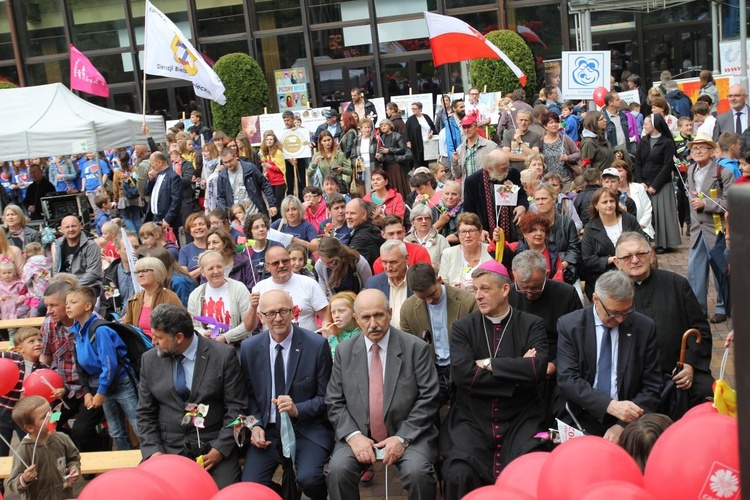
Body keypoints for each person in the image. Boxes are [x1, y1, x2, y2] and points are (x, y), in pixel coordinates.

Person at [440, 260, 547, 498]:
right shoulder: (462, 327)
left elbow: (537, 369)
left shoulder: (532, 325)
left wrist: (488, 364)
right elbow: (462, 374)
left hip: (522, 420)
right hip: (472, 421)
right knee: (458, 472)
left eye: (485, 289)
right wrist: (518, 371)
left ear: (505, 290)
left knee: (531, 467)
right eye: (475, 289)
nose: (478, 296)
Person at [326, 289, 440, 500]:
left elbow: (429, 397)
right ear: (356, 318)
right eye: (366, 317)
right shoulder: (344, 351)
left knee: (418, 474)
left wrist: (402, 437)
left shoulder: (416, 348)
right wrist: (354, 436)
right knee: (338, 471)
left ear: (389, 312)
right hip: (359, 432)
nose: (373, 324)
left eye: (378, 315)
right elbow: (334, 400)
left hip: (409, 434)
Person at [136, 304, 248, 488]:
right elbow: (144, 413)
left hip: (212, 446)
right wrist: (153, 452)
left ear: (179, 337)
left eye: (159, 337)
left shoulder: (223, 355)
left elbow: (238, 409)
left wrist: (220, 449)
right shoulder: (150, 360)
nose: (153, 341)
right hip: (168, 449)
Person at [239, 289, 334, 498]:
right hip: (268, 430)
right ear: (260, 317)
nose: (278, 318)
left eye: (284, 311)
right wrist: (253, 425)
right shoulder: (249, 348)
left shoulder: (316, 345)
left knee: (309, 478)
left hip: (307, 428)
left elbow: (328, 398)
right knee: (250, 488)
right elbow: (247, 397)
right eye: (271, 313)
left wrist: (297, 409)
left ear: (293, 312)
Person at [555, 271, 663, 441]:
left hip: (630, 417)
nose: (620, 319)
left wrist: (622, 425)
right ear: (595, 299)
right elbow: (567, 380)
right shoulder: (570, 326)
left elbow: (652, 386)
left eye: (626, 311)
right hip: (584, 413)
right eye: (613, 313)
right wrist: (609, 405)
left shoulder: (643, 327)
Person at [614, 232, 713, 408]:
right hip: (635, 378)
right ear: (617, 263)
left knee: (706, 391)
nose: (635, 260)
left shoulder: (677, 284)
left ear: (651, 254)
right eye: (627, 256)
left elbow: (700, 330)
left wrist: (690, 364)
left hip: (678, 372)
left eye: (641, 254)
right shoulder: (612, 296)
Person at [66, 285, 139, 451]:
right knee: (115, 430)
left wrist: (101, 392)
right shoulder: (76, 331)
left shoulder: (101, 330)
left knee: (138, 425)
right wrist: (87, 392)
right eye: (66, 303)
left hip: (120, 383)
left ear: (87, 306)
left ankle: (151, 464)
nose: (67, 306)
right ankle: (125, 464)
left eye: (73, 302)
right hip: (101, 386)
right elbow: (80, 364)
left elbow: (110, 363)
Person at [400, 263, 477, 413]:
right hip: (431, 370)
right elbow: (409, 347)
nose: (429, 301)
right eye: (422, 298)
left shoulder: (468, 301)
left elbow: (476, 341)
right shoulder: (408, 309)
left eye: (432, 294)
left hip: (462, 366)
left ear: (439, 279)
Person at [686, 133, 733, 323]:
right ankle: (698, 309)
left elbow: (729, 202)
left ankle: (722, 307)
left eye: (702, 147)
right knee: (694, 271)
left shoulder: (724, 172)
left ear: (712, 151)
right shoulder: (690, 170)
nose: (697, 151)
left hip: (717, 229)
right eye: (694, 147)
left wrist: (706, 204)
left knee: (720, 271)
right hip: (697, 229)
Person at [4, 396, 81, 500]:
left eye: (50, 412)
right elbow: (12, 484)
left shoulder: (62, 438)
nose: (52, 416)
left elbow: (73, 458)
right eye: (45, 416)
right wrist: (24, 479)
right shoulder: (24, 450)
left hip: (64, 495)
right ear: (30, 428)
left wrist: (74, 468)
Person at [581, 188, 644, 299]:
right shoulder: (590, 228)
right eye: (605, 202)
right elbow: (587, 260)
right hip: (604, 276)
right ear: (596, 205)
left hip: (632, 271)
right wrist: (611, 259)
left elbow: (643, 242)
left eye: (612, 201)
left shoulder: (629, 220)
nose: (609, 205)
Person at [250, 246, 329, 333]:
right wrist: (253, 308)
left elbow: (327, 317)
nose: (281, 265)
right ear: (267, 267)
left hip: (307, 343)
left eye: (285, 261)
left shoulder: (310, 284)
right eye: (275, 263)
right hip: (273, 345)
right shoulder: (259, 288)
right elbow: (249, 327)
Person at [634, 114, 681, 253]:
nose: (644, 126)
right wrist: (640, 181)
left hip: (661, 184)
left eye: (647, 124)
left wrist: (655, 185)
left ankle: (663, 243)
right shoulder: (643, 141)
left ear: (655, 125)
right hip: (645, 183)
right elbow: (637, 162)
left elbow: (667, 165)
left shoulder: (667, 142)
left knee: (662, 214)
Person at [0, 328, 47, 460]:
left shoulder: (43, 369)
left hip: (26, 416)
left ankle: (28, 476)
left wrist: (60, 391)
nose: (37, 343)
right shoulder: (10, 357)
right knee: (1, 450)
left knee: (29, 449)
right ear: (20, 349)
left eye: (40, 340)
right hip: (3, 412)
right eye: (31, 341)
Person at [187, 251, 251, 345]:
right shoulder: (195, 294)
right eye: (210, 268)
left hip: (236, 346)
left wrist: (226, 337)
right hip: (209, 348)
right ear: (202, 272)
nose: (216, 271)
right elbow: (193, 325)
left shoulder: (239, 288)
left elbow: (248, 324)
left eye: (219, 267)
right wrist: (203, 333)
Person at [463, 149, 528, 240]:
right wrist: (478, 229)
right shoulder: (472, 181)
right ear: (490, 168)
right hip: (486, 235)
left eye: (507, 166)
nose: (507, 171)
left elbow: (522, 195)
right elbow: (468, 211)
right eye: (503, 168)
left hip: (511, 233)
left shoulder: (513, 173)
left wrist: (522, 206)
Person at [122, 257, 182, 338]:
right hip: (139, 346)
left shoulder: (169, 297)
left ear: (157, 272)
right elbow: (127, 328)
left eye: (144, 271)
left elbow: (179, 325)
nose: (140, 275)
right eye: (137, 272)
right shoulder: (134, 299)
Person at [216, 148, 277, 218]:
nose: (228, 164)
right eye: (225, 162)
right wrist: (225, 213)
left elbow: (265, 185)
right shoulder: (222, 175)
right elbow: (220, 197)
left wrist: (272, 204)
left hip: (255, 213)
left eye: (230, 161)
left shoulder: (250, 168)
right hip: (236, 218)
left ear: (235, 157)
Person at [439, 212, 493, 291]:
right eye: (463, 232)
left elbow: (496, 283)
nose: (467, 236)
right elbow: (442, 284)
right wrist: (454, 290)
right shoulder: (448, 254)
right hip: (457, 299)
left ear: (480, 231)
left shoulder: (491, 251)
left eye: (472, 231)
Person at [52, 216, 102, 293]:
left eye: (73, 226)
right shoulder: (59, 245)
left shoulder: (91, 245)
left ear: (80, 226)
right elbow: (56, 270)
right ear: (61, 229)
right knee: (43, 304)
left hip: (87, 286)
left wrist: (73, 287)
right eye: (67, 227)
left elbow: (93, 272)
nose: (71, 229)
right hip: (63, 287)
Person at [613, 160, 655, 239]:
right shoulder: (610, 191)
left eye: (620, 171)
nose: (617, 174)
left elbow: (648, 209)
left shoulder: (639, 188)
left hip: (641, 229)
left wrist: (639, 226)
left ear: (627, 172)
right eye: (615, 171)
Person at [144, 151, 183, 230]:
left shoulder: (173, 177)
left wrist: (168, 218)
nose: (151, 166)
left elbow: (176, 200)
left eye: (152, 163)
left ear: (159, 162)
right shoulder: (155, 175)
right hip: (154, 217)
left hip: (166, 219)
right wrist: (151, 179)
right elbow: (146, 192)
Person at [540, 112, 580, 185]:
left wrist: (568, 157)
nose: (554, 125)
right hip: (547, 182)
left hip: (565, 181)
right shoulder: (540, 142)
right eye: (551, 122)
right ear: (545, 126)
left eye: (556, 122)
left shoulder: (565, 139)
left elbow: (578, 153)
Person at [405, 203, 449, 271]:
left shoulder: (440, 240)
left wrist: (435, 268)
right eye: (419, 219)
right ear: (413, 222)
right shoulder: (406, 241)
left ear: (431, 220)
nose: (424, 221)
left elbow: (449, 263)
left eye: (427, 218)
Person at [375, 118, 410, 199]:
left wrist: (389, 150)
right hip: (387, 166)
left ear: (390, 126)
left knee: (400, 185)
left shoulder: (397, 135)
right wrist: (380, 157)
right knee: (391, 185)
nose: (383, 127)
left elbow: (402, 149)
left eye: (385, 125)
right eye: (381, 126)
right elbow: (381, 151)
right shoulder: (381, 137)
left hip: (396, 165)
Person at [319, 291, 361, 359]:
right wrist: (331, 337)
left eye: (341, 311)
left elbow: (344, 360)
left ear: (354, 311)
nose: (336, 316)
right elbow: (336, 362)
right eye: (333, 312)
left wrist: (332, 339)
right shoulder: (336, 334)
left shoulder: (363, 334)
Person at [244, 213, 284, 283]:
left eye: (263, 226)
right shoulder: (245, 251)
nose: (261, 229)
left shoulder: (277, 247)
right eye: (256, 227)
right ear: (250, 231)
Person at [345, 198, 385, 268]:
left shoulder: (361, 238)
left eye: (352, 213)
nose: (348, 217)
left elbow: (352, 266)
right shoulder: (371, 228)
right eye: (347, 213)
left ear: (363, 214)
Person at [258, 130, 286, 213]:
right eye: (267, 139)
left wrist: (270, 166)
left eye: (271, 139)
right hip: (270, 183)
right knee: (272, 205)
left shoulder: (278, 152)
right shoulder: (266, 153)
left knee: (278, 206)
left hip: (279, 183)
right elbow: (263, 164)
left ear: (274, 141)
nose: (269, 141)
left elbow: (282, 169)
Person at [178, 213, 210, 281]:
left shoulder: (216, 246)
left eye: (201, 224)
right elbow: (184, 277)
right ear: (190, 231)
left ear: (208, 227)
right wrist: (203, 268)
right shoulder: (184, 251)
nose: (198, 228)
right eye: (193, 226)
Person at [351, 118, 378, 194]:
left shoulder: (375, 139)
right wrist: (356, 162)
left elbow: (381, 153)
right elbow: (352, 156)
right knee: (364, 189)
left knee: (374, 188)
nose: (367, 130)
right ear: (361, 129)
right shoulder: (356, 141)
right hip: (361, 169)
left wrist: (380, 156)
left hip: (373, 167)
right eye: (365, 127)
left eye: (369, 127)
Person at [406, 102, 436, 168]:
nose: (413, 110)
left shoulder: (426, 117)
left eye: (415, 109)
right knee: (418, 161)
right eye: (412, 109)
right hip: (416, 143)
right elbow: (407, 132)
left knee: (428, 161)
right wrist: (408, 141)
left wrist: (431, 132)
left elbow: (432, 127)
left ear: (420, 109)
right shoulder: (410, 120)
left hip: (427, 142)